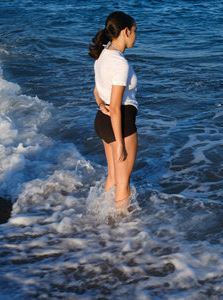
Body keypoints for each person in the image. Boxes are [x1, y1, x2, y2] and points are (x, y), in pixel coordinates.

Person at [89, 11, 138, 210]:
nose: (136, 36)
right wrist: (120, 143)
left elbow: (96, 90)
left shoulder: (102, 55)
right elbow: (116, 107)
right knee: (123, 182)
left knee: (113, 175)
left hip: (102, 120)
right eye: (135, 31)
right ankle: (121, 231)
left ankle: (101, 216)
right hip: (120, 124)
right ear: (126, 31)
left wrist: (101, 105)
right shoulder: (120, 63)